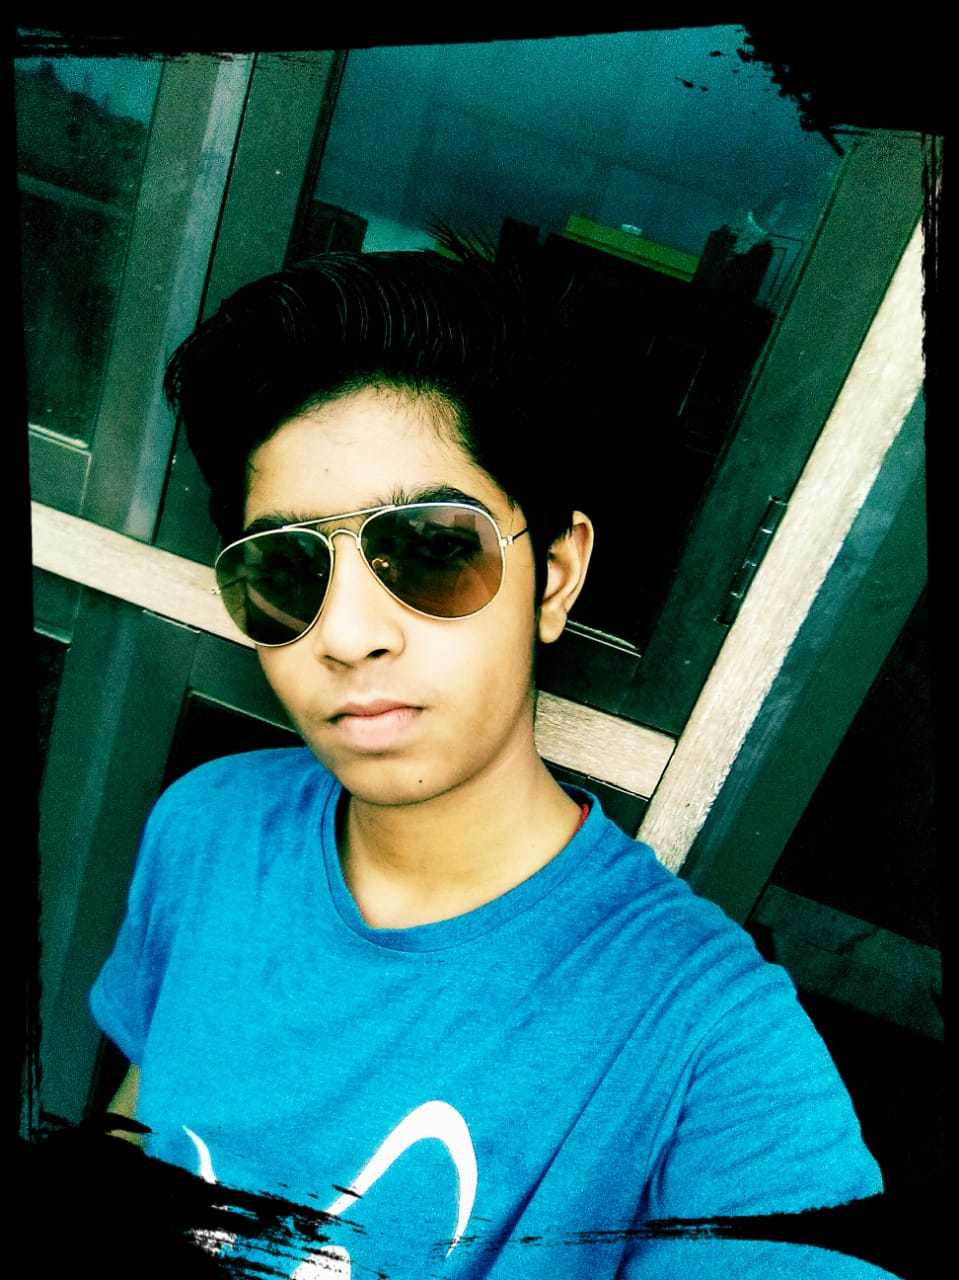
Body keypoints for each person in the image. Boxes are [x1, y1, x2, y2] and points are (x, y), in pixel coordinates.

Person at [89, 238, 891, 1278]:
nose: (347, 634)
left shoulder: (703, 1038)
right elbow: (145, 1099)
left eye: (431, 548)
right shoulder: (208, 825)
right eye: (286, 569)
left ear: (553, 575)